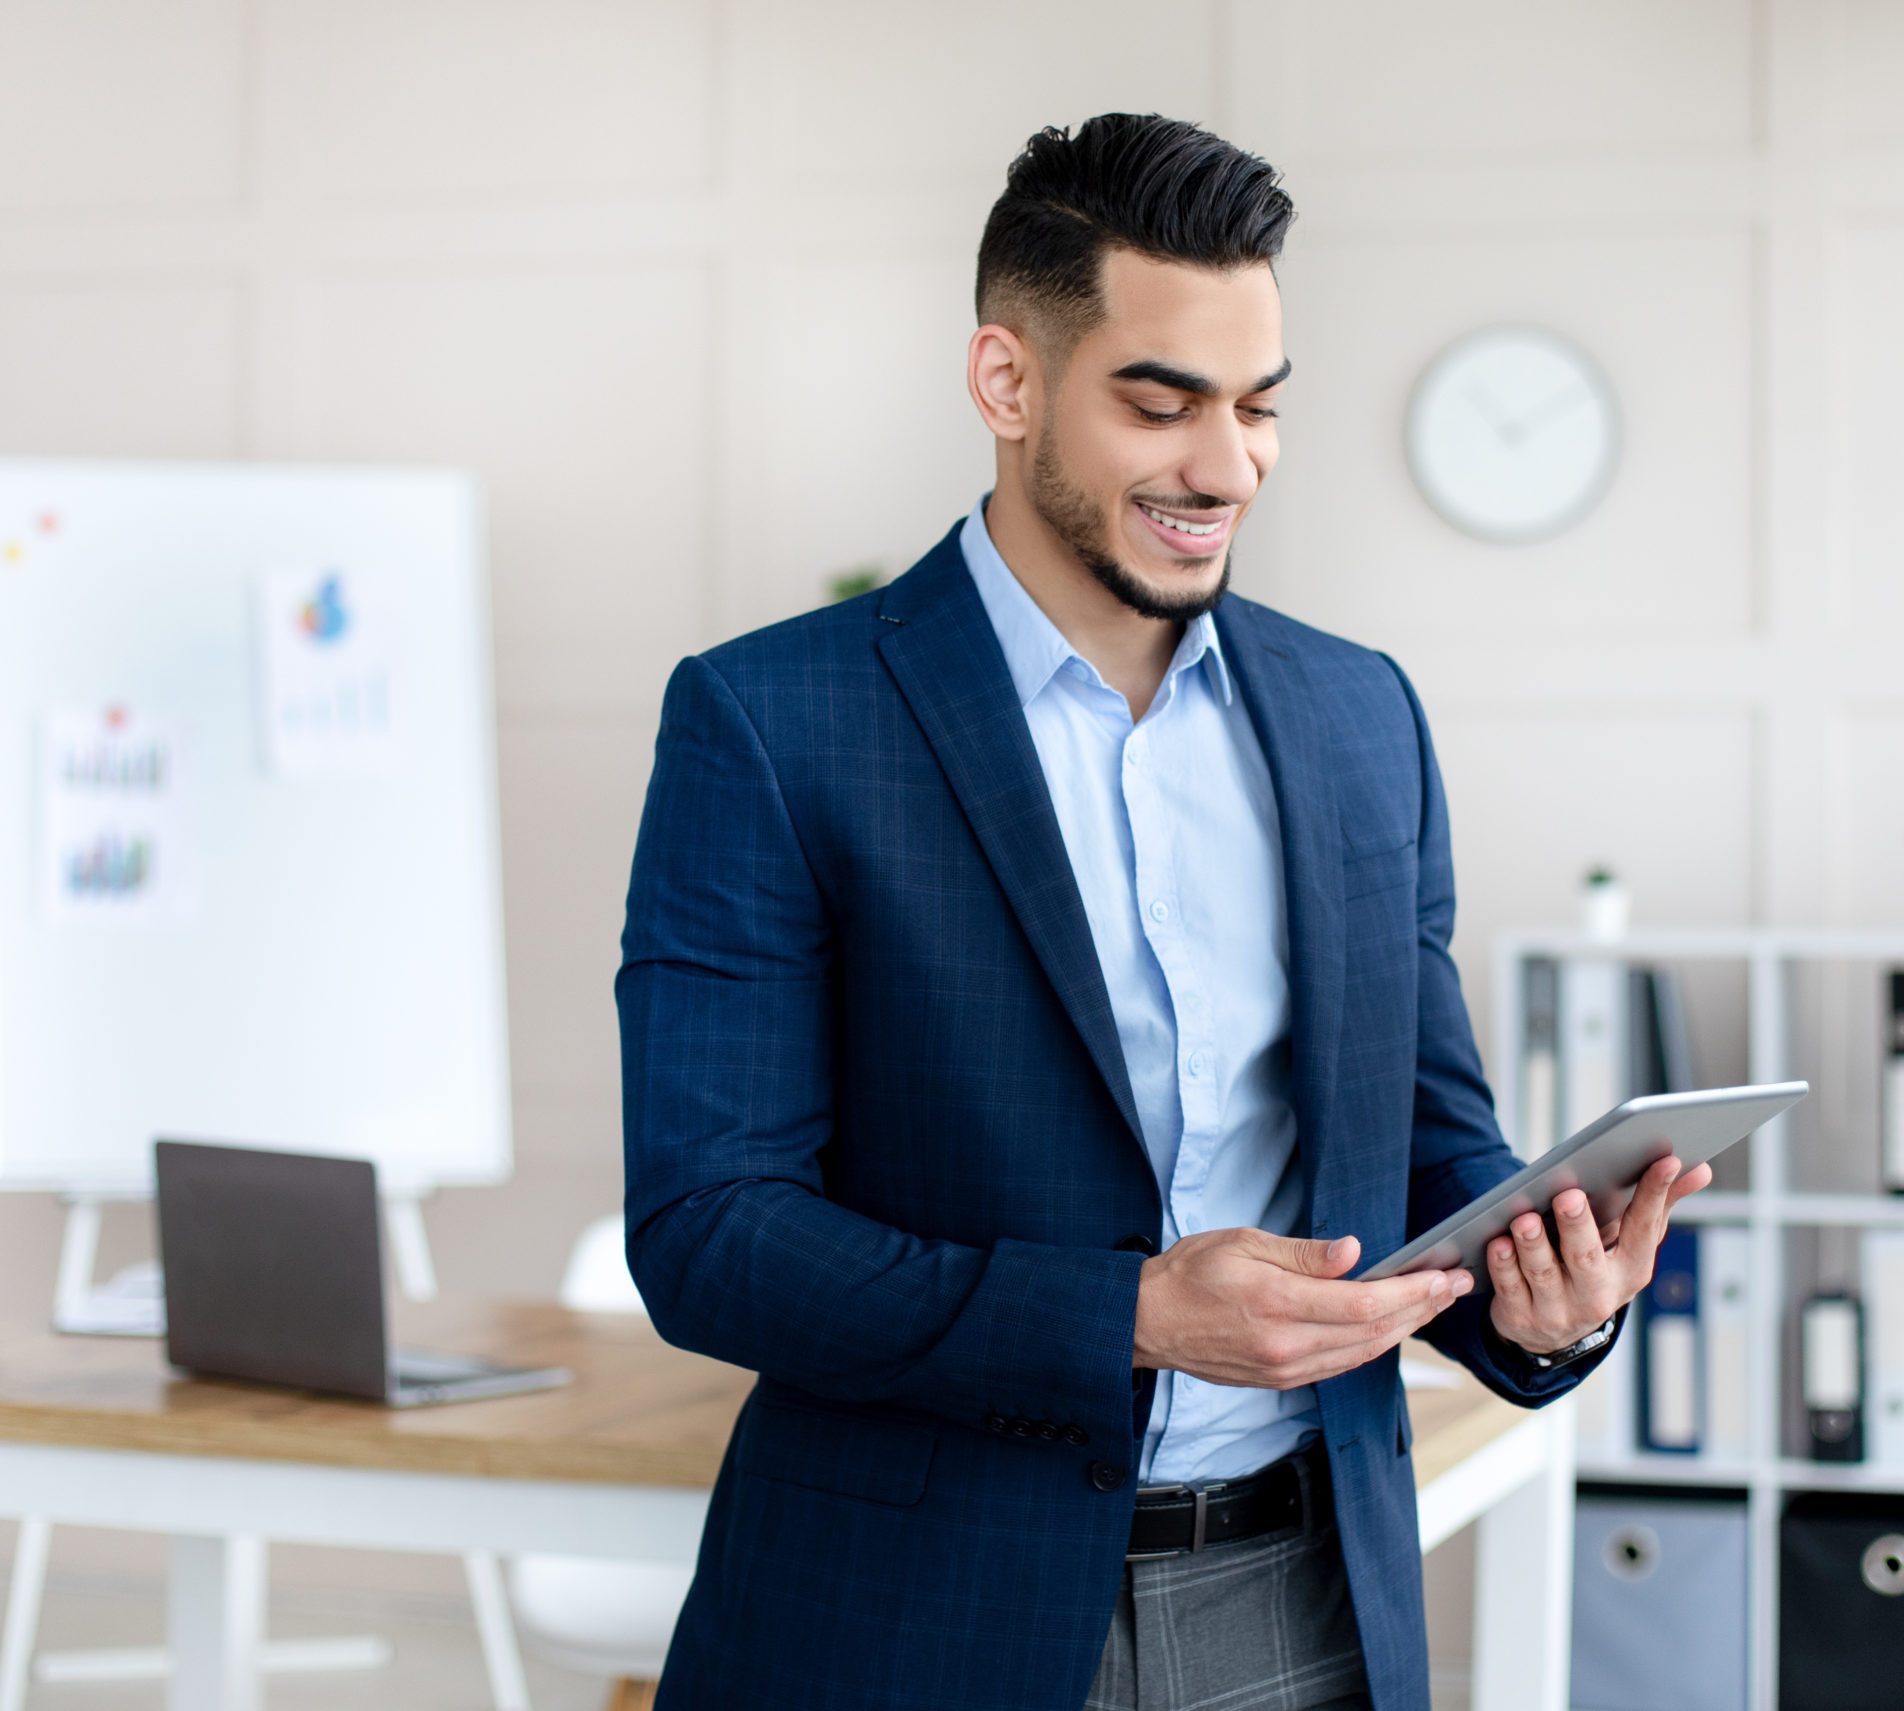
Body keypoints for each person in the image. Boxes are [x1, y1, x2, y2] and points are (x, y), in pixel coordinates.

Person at [617, 112, 1709, 1711]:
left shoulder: (1359, 716)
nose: (1228, 464)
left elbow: (1427, 1141)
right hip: (908, 1624)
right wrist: (1125, 1315)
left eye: (1261, 406)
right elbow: (710, 1235)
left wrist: (1542, 1301)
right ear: (1007, 383)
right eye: (1161, 401)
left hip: (1305, 1609)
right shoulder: (771, 722)